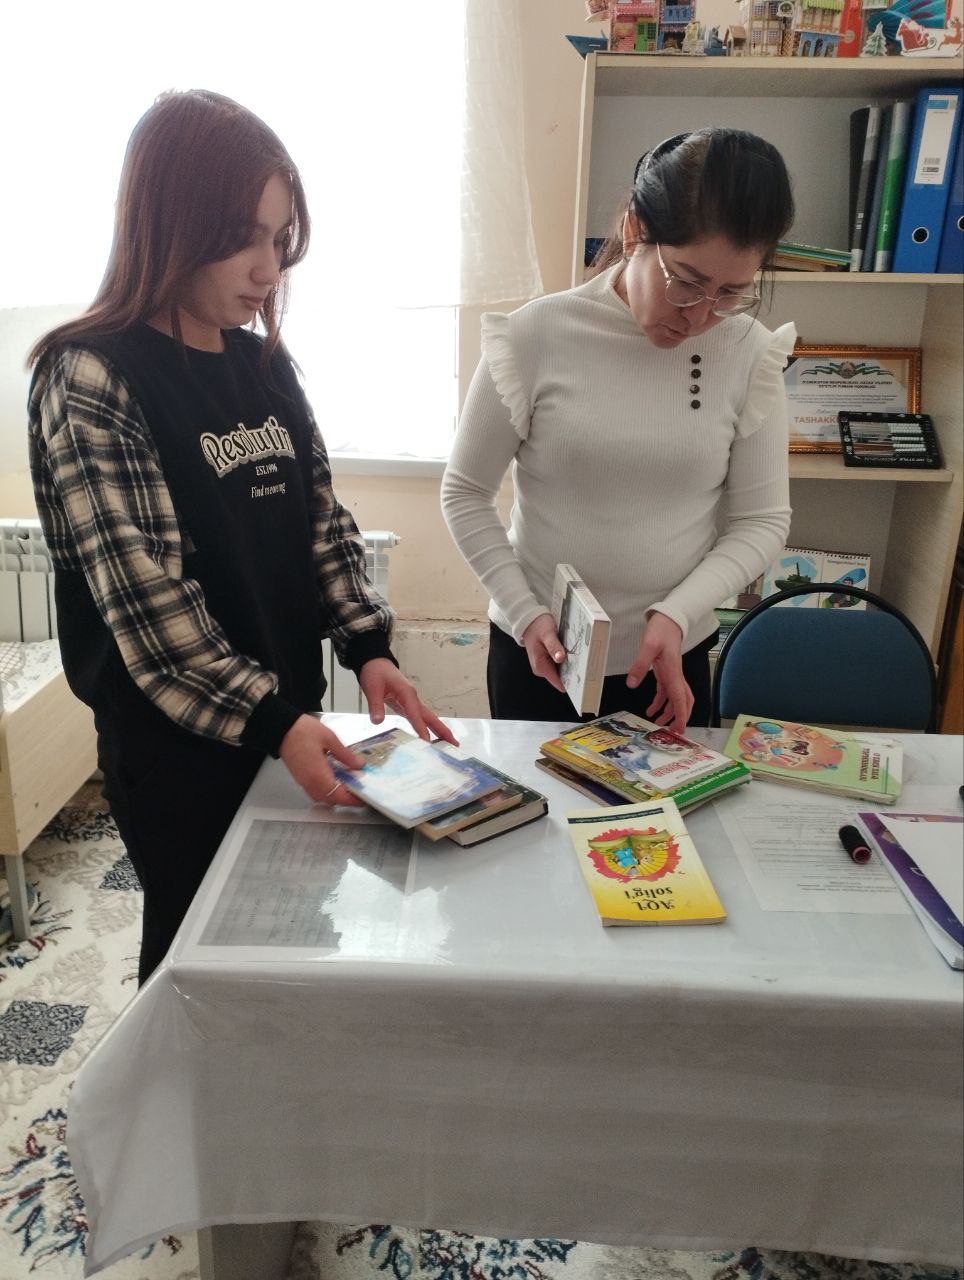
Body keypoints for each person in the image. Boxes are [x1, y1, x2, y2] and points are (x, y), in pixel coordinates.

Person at [28, 89, 456, 984]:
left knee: (292, 935)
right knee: (197, 966)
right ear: (169, 227)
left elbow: (320, 520)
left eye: (281, 238)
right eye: (244, 239)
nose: (269, 269)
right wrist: (275, 721)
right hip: (179, 751)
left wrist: (369, 646)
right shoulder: (93, 375)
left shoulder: (261, 359)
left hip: (283, 717)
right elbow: (150, 608)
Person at [441, 128, 796, 732]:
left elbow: (762, 521)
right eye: (686, 282)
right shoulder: (536, 335)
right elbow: (465, 492)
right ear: (635, 232)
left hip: (670, 659)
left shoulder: (749, 353)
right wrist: (525, 613)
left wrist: (677, 614)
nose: (700, 316)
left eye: (732, 293)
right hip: (540, 653)